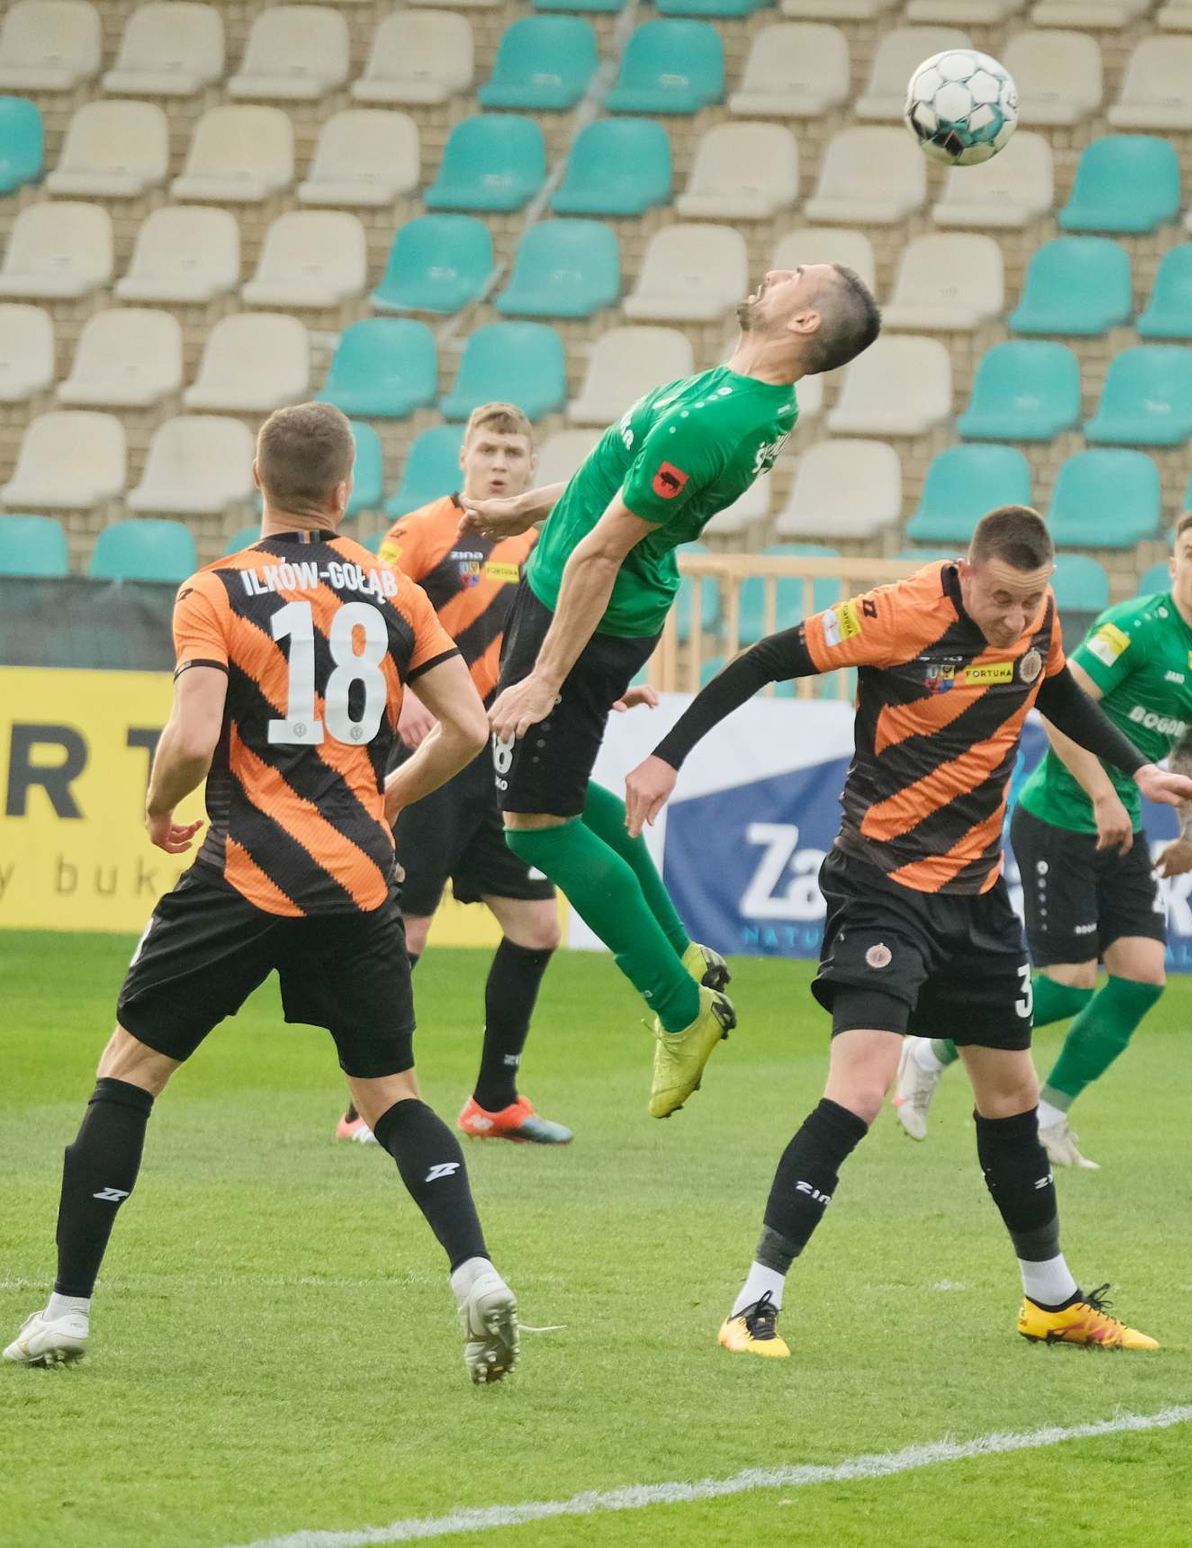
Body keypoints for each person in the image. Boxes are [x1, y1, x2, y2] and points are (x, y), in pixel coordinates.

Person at [623, 508, 1192, 1357]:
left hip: (975, 899)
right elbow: (763, 660)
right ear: (967, 572)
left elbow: (1055, 688)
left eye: (1033, 600)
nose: (1018, 618)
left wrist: (1141, 769)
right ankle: (753, 1303)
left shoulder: (1035, 621)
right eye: (1004, 598)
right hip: (882, 887)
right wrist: (668, 754)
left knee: (1011, 1095)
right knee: (860, 1091)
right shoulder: (897, 613)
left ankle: (1049, 1301)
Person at [4, 403, 519, 1384]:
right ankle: (474, 1271)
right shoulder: (390, 587)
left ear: (257, 476)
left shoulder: (219, 589)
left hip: (244, 873)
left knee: (129, 1073)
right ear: (343, 489)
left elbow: (193, 742)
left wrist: (160, 808)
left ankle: (67, 1312)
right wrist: (384, 797)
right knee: (391, 1097)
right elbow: (463, 726)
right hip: (361, 880)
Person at [460, 264, 882, 1120]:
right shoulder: (739, 392)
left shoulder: (718, 419)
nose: (774, 271)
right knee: (562, 800)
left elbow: (602, 550)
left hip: (578, 614)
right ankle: (685, 956)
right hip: (587, 606)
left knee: (534, 832)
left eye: (794, 276)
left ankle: (679, 1009)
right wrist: (526, 511)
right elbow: (612, 478)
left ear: (804, 321)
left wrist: (548, 679)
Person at [894, 509, 1192, 1166]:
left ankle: (1047, 1116)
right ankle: (930, 1048)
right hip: (1060, 817)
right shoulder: (1132, 629)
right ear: (1171, 565)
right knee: (1071, 981)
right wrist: (1104, 792)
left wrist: (1191, 834)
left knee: (1141, 978)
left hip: (1124, 829)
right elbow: (1055, 707)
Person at [335, 402, 569, 1147]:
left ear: (530, 469)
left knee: (536, 928)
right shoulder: (421, 531)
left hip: (500, 759)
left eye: (513, 453)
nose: (499, 463)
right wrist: (399, 694)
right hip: (431, 756)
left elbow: (549, 632)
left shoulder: (542, 536)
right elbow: (364, 616)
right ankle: (363, 1108)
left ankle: (493, 1101)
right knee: (404, 933)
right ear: (463, 459)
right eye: (488, 450)